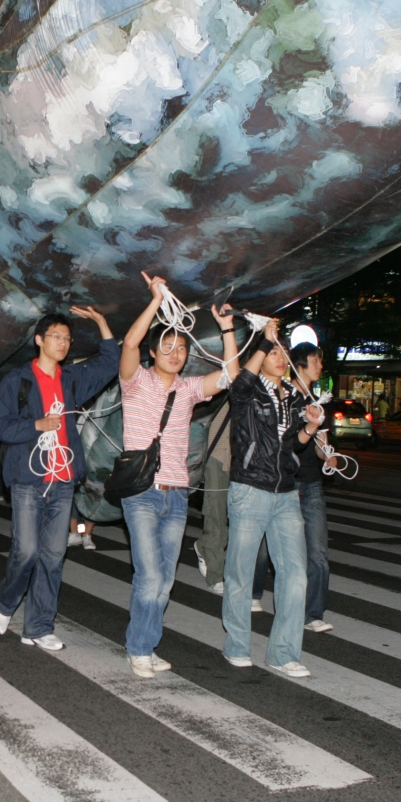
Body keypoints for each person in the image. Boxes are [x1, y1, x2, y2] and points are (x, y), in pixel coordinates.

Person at [116, 274, 237, 678]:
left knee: (164, 580)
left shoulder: (187, 389)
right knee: (149, 575)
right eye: (167, 346)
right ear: (154, 352)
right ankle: (137, 647)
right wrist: (154, 300)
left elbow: (229, 377)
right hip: (143, 493)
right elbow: (130, 344)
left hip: (177, 494)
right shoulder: (135, 382)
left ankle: (147, 646)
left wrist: (226, 328)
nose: (176, 352)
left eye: (181, 347)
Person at [0, 306, 117, 650]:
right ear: (39, 341)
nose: (63, 343)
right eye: (56, 337)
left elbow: (109, 364)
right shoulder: (18, 381)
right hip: (29, 478)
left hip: (62, 480)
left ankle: (39, 627)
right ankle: (6, 601)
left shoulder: (72, 378)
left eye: (67, 338)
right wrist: (37, 425)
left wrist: (102, 323)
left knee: (53, 554)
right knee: (27, 551)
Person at [221, 320, 324, 677]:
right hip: (250, 488)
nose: (281, 358)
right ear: (261, 357)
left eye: (283, 353)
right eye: (274, 352)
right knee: (240, 571)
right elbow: (238, 386)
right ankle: (236, 644)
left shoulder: (295, 397)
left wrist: (309, 427)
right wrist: (264, 342)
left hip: (285, 493)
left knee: (296, 575)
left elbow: (293, 445)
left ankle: (283, 653)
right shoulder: (249, 392)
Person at [287, 342, 335, 634]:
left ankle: (313, 612)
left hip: (312, 482)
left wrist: (329, 455)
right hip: (285, 482)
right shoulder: (285, 398)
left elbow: (321, 447)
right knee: (268, 550)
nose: (320, 365)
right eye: (316, 360)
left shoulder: (319, 401)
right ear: (301, 364)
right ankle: (252, 593)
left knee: (317, 552)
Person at [195, 399, 231, 594]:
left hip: (243, 462)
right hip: (217, 456)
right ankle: (215, 576)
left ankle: (203, 546)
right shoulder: (225, 382)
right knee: (215, 517)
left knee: (237, 522)